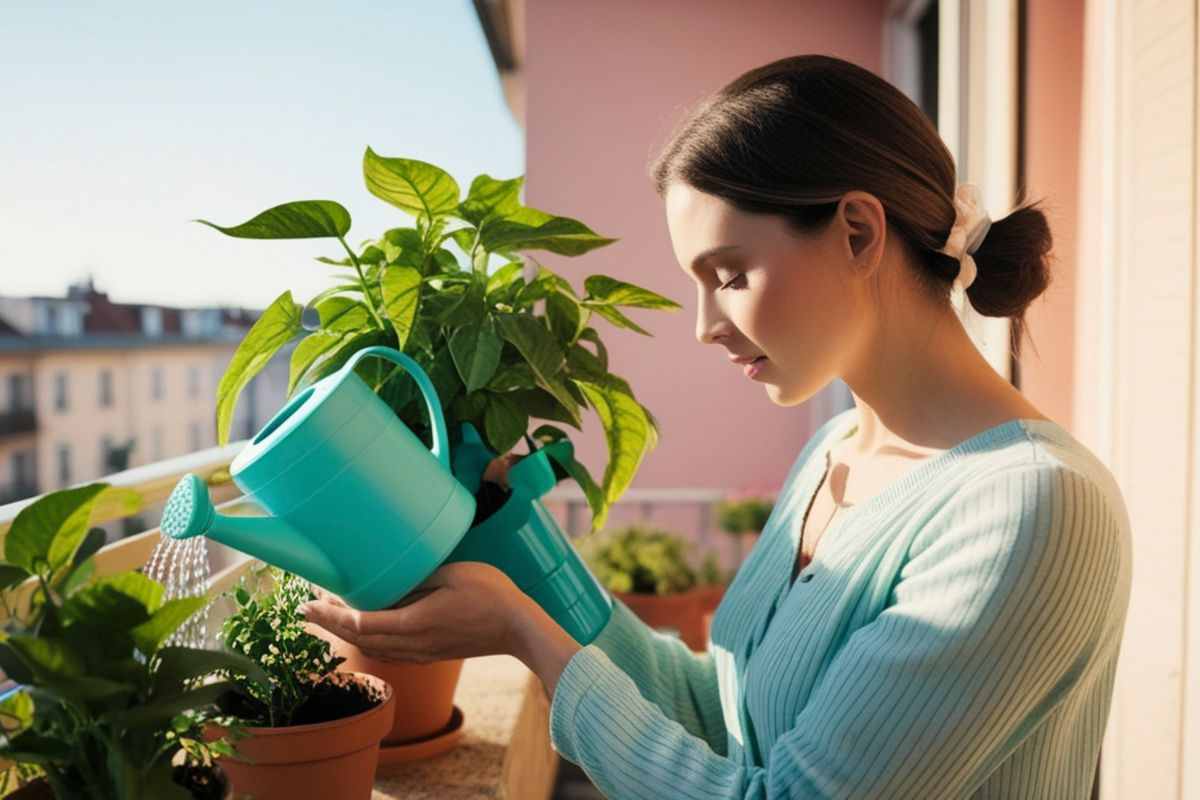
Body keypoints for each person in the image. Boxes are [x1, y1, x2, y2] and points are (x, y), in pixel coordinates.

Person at [300, 54, 1132, 799]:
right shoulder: (835, 454)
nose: (703, 324)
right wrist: (517, 560)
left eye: (728, 274)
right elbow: (718, 709)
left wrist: (525, 633)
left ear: (857, 232)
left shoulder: (1030, 509)